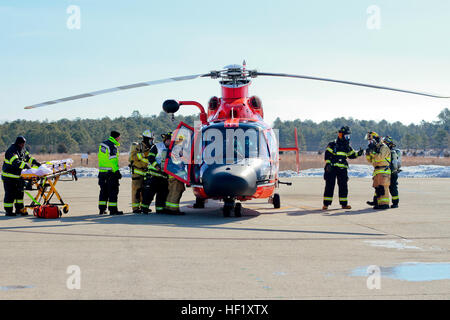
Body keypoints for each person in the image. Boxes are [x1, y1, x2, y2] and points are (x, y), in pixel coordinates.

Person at [322, 126, 363, 210]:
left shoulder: (347, 146)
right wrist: (328, 164)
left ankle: (344, 204)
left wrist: (359, 153)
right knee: (329, 186)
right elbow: (327, 155)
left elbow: (352, 155)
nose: (348, 138)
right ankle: (326, 204)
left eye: (349, 136)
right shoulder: (332, 144)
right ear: (341, 135)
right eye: (346, 136)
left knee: (343, 186)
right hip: (332, 169)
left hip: (342, 170)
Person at [2, 136, 41, 216]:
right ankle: (8, 211)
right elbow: (15, 162)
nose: (23, 145)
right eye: (22, 144)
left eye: (24, 144)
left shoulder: (22, 149)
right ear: (18, 143)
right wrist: (25, 165)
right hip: (9, 177)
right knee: (10, 194)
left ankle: (19, 210)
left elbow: (27, 157)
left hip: (18, 176)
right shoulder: (12, 151)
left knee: (19, 194)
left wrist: (36, 162)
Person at [141, 132, 171, 214]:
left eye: (171, 140)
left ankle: (160, 209)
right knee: (149, 193)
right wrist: (156, 166)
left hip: (164, 175)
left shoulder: (173, 148)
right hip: (154, 174)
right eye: (168, 140)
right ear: (165, 140)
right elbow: (150, 158)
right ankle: (144, 208)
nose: (169, 142)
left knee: (162, 193)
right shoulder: (157, 146)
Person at [98, 130, 123, 215]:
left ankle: (102, 209)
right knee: (113, 192)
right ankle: (113, 210)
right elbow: (113, 160)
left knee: (103, 191)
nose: (120, 139)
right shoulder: (112, 146)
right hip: (110, 173)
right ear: (117, 137)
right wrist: (116, 171)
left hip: (102, 172)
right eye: (119, 137)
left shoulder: (103, 144)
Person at [129, 129, 154, 213]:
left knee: (145, 191)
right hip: (137, 172)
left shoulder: (152, 147)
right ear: (146, 138)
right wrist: (144, 154)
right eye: (151, 139)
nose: (152, 141)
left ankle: (144, 206)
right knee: (136, 190)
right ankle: (136, 208)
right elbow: (133, 157)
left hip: (147, 173)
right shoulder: (138, 146)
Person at [365, 131, 391, 210]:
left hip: (384, 171)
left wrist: (372, 152)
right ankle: (378, 203)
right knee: (378, 188)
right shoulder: (375, 148)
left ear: (375, 140)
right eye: (369, 141)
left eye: (371, 141)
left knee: (383, 187)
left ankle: (385, 204)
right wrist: (368, 154)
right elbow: (370, 161)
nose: (370, 143)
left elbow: (379, 157)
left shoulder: (384, 147)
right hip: (377, 171)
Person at [165, 134, 187, 215]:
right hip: (177, 174)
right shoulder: (177, 149)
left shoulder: (172, 148)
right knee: (177, 191)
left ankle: (168, 208)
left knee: (171, 191)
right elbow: (177, 162)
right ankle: (174, 209)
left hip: (171, 174)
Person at [384, 136, 401, 208]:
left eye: (386, 143)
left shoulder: (392, 152)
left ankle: (395, 203)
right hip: (389, 172)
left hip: (392, 172)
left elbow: (395, 163)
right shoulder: (387, 151)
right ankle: (380, 202)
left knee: (393, 187)